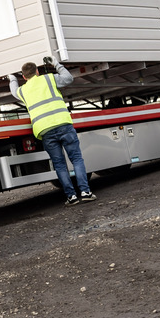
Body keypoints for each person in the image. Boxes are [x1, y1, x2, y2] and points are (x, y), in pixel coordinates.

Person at [8, 57, 95, 206]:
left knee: (59, 165)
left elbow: (14, 91)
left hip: (45, 130)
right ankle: (85, 192)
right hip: (63, 124)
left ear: (24, 77)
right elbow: (68, 78)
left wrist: (11, 78)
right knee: (76, 159)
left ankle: (71, 197)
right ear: (37, 71)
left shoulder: (23, 90)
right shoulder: (49, 79)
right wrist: (55, 63)